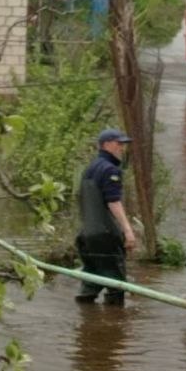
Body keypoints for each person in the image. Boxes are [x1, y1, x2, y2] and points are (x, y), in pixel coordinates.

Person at [75, 127, 138, 305]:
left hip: (86, 236)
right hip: (105, 236)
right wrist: (128, 231)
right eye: (119, 144)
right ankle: (115, 328)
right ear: (106, 145)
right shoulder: (111, 170)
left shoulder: (89, 169)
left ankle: (87, 324)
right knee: (116, 285)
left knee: (90, 283)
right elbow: (113, 202)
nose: (122, 148)